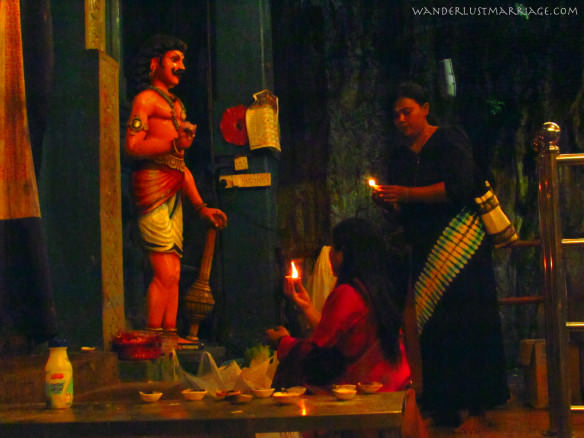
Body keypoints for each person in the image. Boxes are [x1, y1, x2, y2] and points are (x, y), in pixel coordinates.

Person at [372, 81, 509, 433]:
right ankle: (444, 403)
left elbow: (459, 188)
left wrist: (406, 193)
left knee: (467, 320)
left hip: (460, 247)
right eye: (396, 115)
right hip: (425, 249)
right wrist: (391, 204)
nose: (401, 120)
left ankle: (477, 400)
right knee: (433, 327)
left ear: (425, 108)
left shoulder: (450, 140)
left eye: (407, 111)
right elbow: (404, 212)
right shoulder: (401, 157)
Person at [267, 218, 426, 438]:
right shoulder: (376, 286)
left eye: (333, 249)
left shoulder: (346, 293)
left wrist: (283, 342)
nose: (329, 256)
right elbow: (346, 333)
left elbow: (317, 350)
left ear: (345, 254)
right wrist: (308, 308)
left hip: (368, 396)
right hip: (396, 390)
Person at [125, 34, 227, 337]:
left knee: (175, 273)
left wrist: (201, 206)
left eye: (183, 61)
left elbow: (181, 166)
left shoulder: (177, 106)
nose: (181, 66)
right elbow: (132, 146)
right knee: (165, 272)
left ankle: (169, 336)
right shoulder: (145, 100)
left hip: (174, 187)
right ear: (156, 63)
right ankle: (154, 337)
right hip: (152, 187)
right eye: (175, 59)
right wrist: (171, 141)